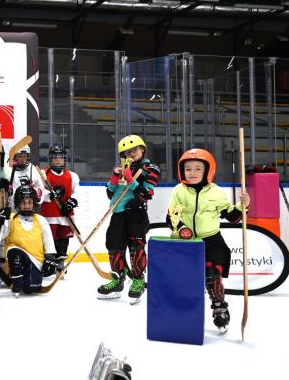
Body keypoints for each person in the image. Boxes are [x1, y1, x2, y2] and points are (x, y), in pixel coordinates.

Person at [166, 148, 249, 334]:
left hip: (211, 241)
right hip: (187, 242)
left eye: (198, 169)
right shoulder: (179, 191)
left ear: (208, 170)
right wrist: (182, 229)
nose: (192, 173)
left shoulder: (216, 191)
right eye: (188, 169)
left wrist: (243, 205)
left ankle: (219, 307)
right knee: (185, 279)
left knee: (213, 275)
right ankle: (184, 310)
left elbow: (232, 216)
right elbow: (171, 216)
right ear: (181, 171)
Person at [97, 135, 161, 303]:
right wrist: (114, 178)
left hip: (136, 214)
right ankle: (118, 280)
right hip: (118, 214)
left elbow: (146, 194)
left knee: (136, 247)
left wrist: (131, 179)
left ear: (142, 149)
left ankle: (138, 280)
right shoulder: (122, 168)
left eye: (134, 150)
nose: (131, 154)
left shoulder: (150, 168)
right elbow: (110, 193)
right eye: (126, 152)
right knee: (114, 246)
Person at [0, 185, 59, 295]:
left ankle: (23, 282)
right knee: (15, 252)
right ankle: (16, 280)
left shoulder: (41, 220)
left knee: (30, 288)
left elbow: (48, 242)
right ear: (17, 203)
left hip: (36, 261)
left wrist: (50, 258)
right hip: (14, 261)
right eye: (23, 202)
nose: (27, 206)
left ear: (34, 203)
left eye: (30, 202)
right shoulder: (10, 219)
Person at [40, 145, 80, 264]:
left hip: (65, 215)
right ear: (50, 159)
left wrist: (72, 202)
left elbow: (76, 192)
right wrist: (49, 195)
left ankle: (60, 263)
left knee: (63, 241)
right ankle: (50, 264)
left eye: (61, 157)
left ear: (64, 159)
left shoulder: (72, 176)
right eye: (55, 157)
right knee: (50, 241)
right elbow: (38, 191)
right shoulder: (43, 174)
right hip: (49, 214)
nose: (58, 160)